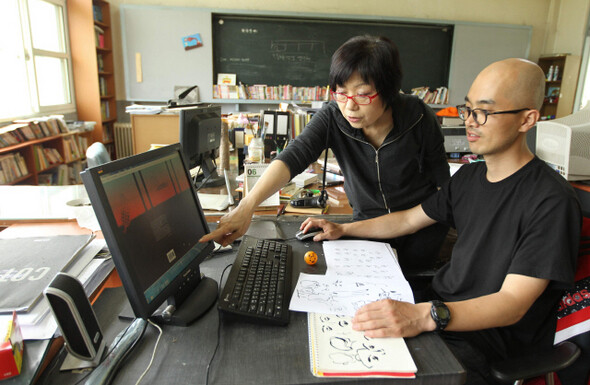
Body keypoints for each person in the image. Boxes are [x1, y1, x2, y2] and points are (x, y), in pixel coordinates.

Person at [299, 58, 582, 384]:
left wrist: (425, 315)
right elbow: (407, 220)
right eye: (468, 109)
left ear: (527, 119)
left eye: (484, 112)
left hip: (485, 339)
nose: (470, 123)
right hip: (441, 312)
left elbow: (512, 303)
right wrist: (344, 228)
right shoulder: (471, 176)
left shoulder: (551, 201)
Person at [202, 35, 450, 270]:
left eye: (363, 95)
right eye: (341, 92)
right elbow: (294, 156)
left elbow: (443, 188)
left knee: (414, 290)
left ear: (389, 90)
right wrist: (247, 206)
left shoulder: (418, 118)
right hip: (365, 226)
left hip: (421, 227)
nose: (349, 106)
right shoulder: (333, 116)